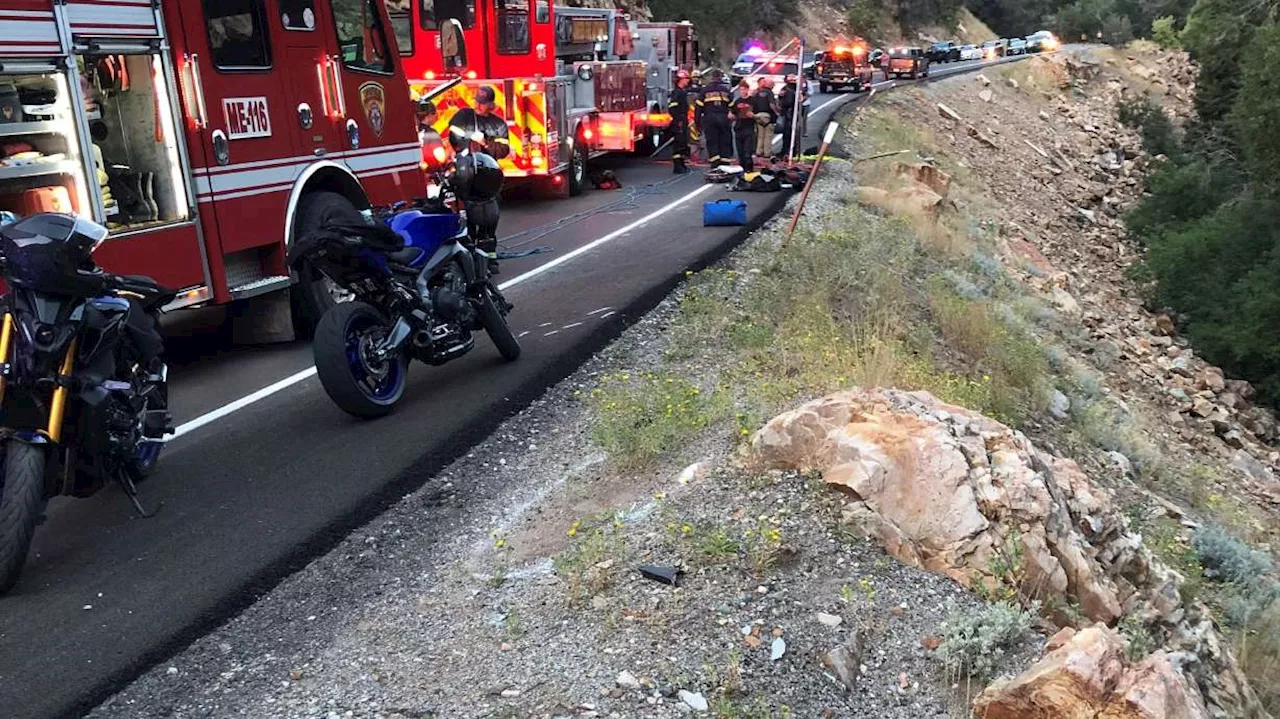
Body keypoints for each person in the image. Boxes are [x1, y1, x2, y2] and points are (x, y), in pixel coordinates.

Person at [448, 86, 511, 273]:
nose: (478, 105)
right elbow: (453, 135)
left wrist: (485, 142)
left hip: (487, 177)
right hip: (465, 174)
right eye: (477, 101)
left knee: (489, 216)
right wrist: (468, 138)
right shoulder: (464, 116)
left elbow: (503, 150)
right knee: (466, 214)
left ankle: (489, 258)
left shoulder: (498, 125)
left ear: (491, 104)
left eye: (482, 103)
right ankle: (469, 254)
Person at [696, 70, 733, 167]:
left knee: (712, 140)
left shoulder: (705, 91)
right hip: (724, 118)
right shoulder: (725, 90)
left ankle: (715, 162)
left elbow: (698, 108)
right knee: (724, 140)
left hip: (709, 118)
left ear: (711, 78)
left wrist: (698, 124)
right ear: (720, 78)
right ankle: (725, 161)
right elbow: (732, 107)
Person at [667, 69, 693, 174]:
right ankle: (678, 166)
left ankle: (681, 164)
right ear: (681, 80)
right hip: (679, 121)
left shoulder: (681, 92)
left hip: (682, 120)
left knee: (682, 143)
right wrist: (678, 120)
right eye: (686, 79)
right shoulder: (677, 93)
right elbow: (672, 107)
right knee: (678, 144)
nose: (688, 81)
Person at [750, 77, 779, 164]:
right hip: (767, 116)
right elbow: (771, 104)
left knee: (760, 135)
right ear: (770, 85)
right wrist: (776, 112)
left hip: (758, 115)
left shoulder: (758, 92)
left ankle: (759, 151)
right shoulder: (769, 93)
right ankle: (767, 153)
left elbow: (753, 103)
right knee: (768, 135)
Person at [730, 80, 757, 172]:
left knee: (747, 152)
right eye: (740, 90)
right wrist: (731, 115)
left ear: (747, 90)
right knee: (740, 152)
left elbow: (758, 113)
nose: (742, 91)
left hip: (748, 127)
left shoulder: (753, 100)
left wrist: (753, 115)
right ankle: (742, 169)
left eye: (744, 89)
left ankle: (749, 169)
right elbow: (733, 113)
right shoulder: (737, 101)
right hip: (738, 127)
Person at [776, 75, 798, 160]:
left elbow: (787, 102)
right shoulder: (794, 89)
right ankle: (790, 151)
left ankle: (787, 151)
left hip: (789, 115)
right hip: (790, 114)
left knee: (788, 134)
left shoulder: (789, 90)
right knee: (789, 134)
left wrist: (781, 99)